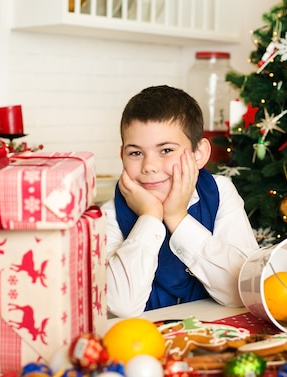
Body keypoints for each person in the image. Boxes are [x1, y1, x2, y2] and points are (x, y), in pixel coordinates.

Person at [102, 85, 259, 318]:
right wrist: (149, 216)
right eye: (135, 153)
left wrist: (177, 217)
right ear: (122, 155)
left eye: (165, 150)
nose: (149, 167)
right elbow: (121, 305)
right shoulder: (111, 213)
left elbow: (244, 291)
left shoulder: (220, 192)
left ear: (199, 154)